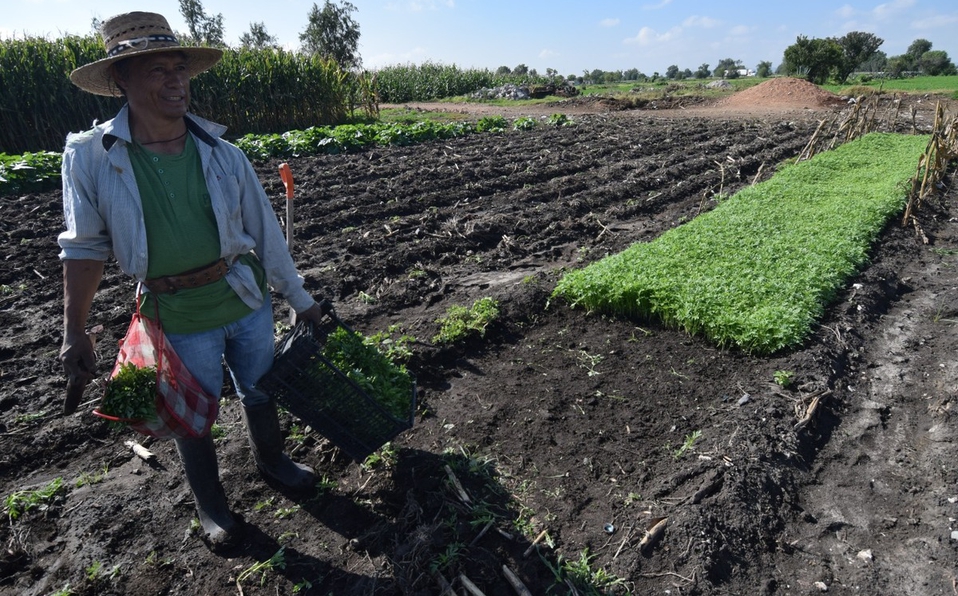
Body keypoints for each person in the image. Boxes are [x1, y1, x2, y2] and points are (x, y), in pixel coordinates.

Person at [58, 11, 328, 549]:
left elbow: (265, 234)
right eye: (157, 70)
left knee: (259, 389)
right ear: (121, 80)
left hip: (243, 298)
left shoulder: (222, 152)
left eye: (179, 68)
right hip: (175, 313)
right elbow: (84, 247)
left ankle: (274, 463)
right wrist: (75, 328)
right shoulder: (92, 156)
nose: (175, 80)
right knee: (189, 416)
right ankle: (212, 506)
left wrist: (299, 298)